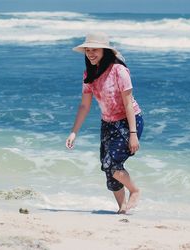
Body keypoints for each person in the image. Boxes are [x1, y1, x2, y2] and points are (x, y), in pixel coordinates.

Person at [66, 32, 144, 214]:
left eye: (94, 50)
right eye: (87, 50)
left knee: (113, 164)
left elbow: (128, 103)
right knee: (107, 168)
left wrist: (133, 134)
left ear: (105, 51)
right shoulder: (89, 74)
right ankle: (122, 209)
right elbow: (85, 106)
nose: (90, 53)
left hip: (128, 121)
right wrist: (74, 132)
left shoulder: (119, 70)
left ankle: (135, 190)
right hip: (108, 123)